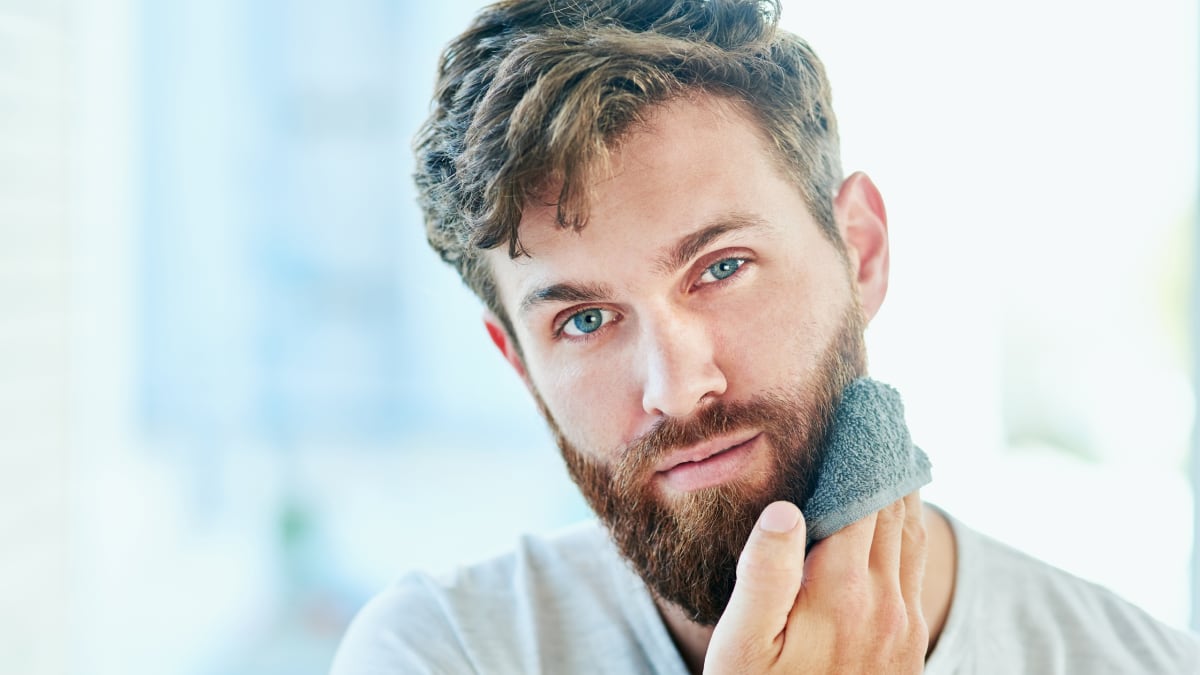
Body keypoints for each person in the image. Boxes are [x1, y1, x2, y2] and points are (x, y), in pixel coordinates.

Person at [332, 1, 1200, 672]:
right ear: (520, 365)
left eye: (721, 267)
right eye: (584, 320)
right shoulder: (441, 653)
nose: (675, 386)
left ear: (859, 251)